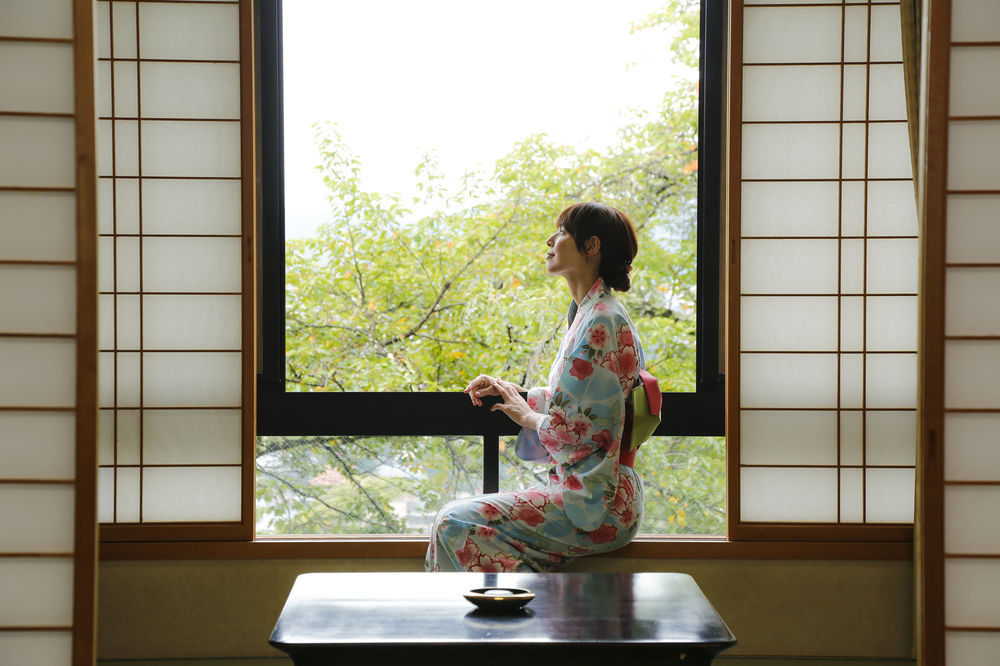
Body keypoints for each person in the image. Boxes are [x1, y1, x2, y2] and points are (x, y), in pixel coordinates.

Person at [425, 201, 647, 572]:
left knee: (455, 523)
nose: (550, 239)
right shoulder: (591, 313)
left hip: (599, 502)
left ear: (591, 246)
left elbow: (585, 432)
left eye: (561, 232)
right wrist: (516, 394)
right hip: (595, 491)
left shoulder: (601, 320)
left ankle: (513, 623)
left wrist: (529, 417)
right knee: (458, 524)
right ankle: (526, 617)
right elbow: (580, 406)